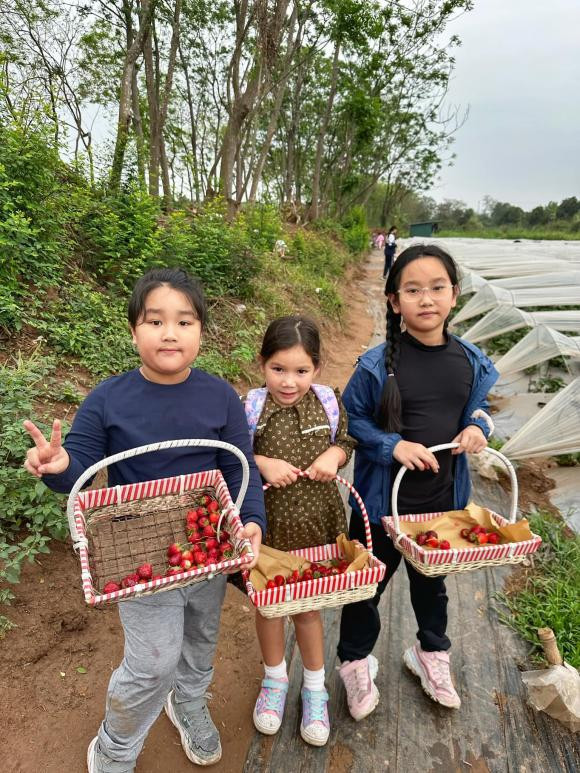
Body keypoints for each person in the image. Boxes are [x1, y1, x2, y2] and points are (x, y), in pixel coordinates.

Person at [22, 267, 266, 773]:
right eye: (155, 321)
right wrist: (58, 465)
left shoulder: (220, 396)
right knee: (153, 658)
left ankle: (188, 702)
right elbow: (81, 468)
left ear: (201, 331)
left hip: (207, 546)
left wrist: (252, 521)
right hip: (137, 551)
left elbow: (238, 466)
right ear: (134, 330)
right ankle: (115, 745)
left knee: (200, 636)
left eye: (185, 321)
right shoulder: (109, 399)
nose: (170, 333)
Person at [336, 244, 498, 720]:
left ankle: (430, 654)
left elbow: (478, 410)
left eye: (436, 288)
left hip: (440, 504)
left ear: (454, 296)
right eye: (412, 290)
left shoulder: (469, 362)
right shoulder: (377, 364)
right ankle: (354, 661)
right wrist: (392, 446)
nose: (425, 299)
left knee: (433, 585)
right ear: (394, 301)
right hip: (383, 504)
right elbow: (351, 421)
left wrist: (478, 428)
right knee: (367, 585)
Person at [243, 316, 355, 747]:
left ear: (318, 368)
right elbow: (235, 456)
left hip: (317, 526)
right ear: (262, 364)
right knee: (269, 607)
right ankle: (274, 680)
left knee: (308, 609)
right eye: (278, 369)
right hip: (268, 531)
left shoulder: (327, 402)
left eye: (301, 371)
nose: (289, 382)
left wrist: (334, 455)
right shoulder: (250, 408)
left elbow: (346, 441)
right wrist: (260, 463)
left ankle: (314, 688)